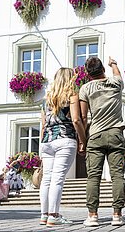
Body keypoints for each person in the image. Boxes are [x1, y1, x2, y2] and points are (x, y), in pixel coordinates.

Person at [79, 57, 125, 227]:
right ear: (102, 69)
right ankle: (117, 216)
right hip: (115, 134)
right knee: (117, 176)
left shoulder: (85, 88)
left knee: (93, 177)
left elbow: (83, 117)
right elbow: (117, 73)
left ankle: (92, 216)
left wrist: (82, 140)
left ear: (88, 73)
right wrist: (113, 63)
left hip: (96, 135)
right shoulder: (116, 83)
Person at [39, 67, 87, 226]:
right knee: (57, 180)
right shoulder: (72, 96)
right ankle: (54, 216)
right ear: (70, 79)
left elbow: (43, 125)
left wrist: (41, 145)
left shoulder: (47, 99)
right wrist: (83, 140)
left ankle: (44, 215)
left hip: (47, 141)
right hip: (65, 139)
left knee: (46, 179)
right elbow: (76, 120)